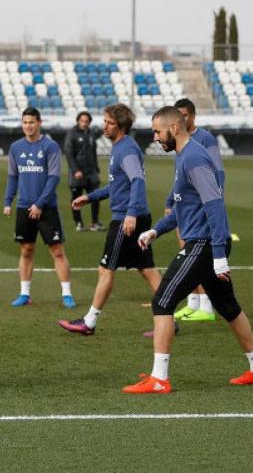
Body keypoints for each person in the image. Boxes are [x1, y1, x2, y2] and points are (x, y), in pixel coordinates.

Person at [125, 106, 253, 393]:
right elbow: (184, 206)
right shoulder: (183, 156)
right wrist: (157, 230)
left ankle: (159, 379)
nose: (154, 137)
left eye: (157, 131)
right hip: (203, 242)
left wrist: (218, 255)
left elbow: (214, 205)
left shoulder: (193, 157)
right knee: (228, 307)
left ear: (174, 128)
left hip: (204, 244)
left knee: (162, 301)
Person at [58, 104, 161, 335]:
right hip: (135, 215)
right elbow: (118, 185)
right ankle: (168, 320)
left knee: (106, 269)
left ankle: (89, 322)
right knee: (147, 269)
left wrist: (131, 213)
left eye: (109, 122)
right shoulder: (120, 147)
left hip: (127, 219)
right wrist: (90, 197)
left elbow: (137, 181)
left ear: (121, 125)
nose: (104, 126)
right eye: (104, 121)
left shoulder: (126, 149)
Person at [3, 107, 75, 309]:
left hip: (46, 208)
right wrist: (8, 201)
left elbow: (53, 178)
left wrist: (40, 204)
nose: (28, 126)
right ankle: (25, 294)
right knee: (26, 250)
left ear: (39, 123)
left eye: (31, 122)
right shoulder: (16, 147)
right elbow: (12, 176)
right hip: (24, 207)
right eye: (25, 122)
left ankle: (67, 294)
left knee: (57, 251)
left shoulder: (50, 146)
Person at [168, 98, 226, 323]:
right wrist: (169, 200)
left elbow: (218, 172)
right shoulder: (179, 141)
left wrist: (213, 197)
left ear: (192, 116)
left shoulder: (205, 139)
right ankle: (193, 303)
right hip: (184, 204)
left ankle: (206, 305)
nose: (180, 119)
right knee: (186, 249)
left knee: (197, 253)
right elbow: (179, 177)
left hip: (201, 204)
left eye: (183, 115)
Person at [62, 111, 102, 231]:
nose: (84, 123)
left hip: (91, 173)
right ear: (78, 121)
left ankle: (95, 223)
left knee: (96, 197)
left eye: (87, 121)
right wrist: (75, 170)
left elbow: (93, 153)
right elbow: (69, 154)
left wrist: (97, 169)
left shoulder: (91, 134)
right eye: (82, 121)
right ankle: (78, 223)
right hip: (78, 174)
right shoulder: (72, 134)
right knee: (76, 199)